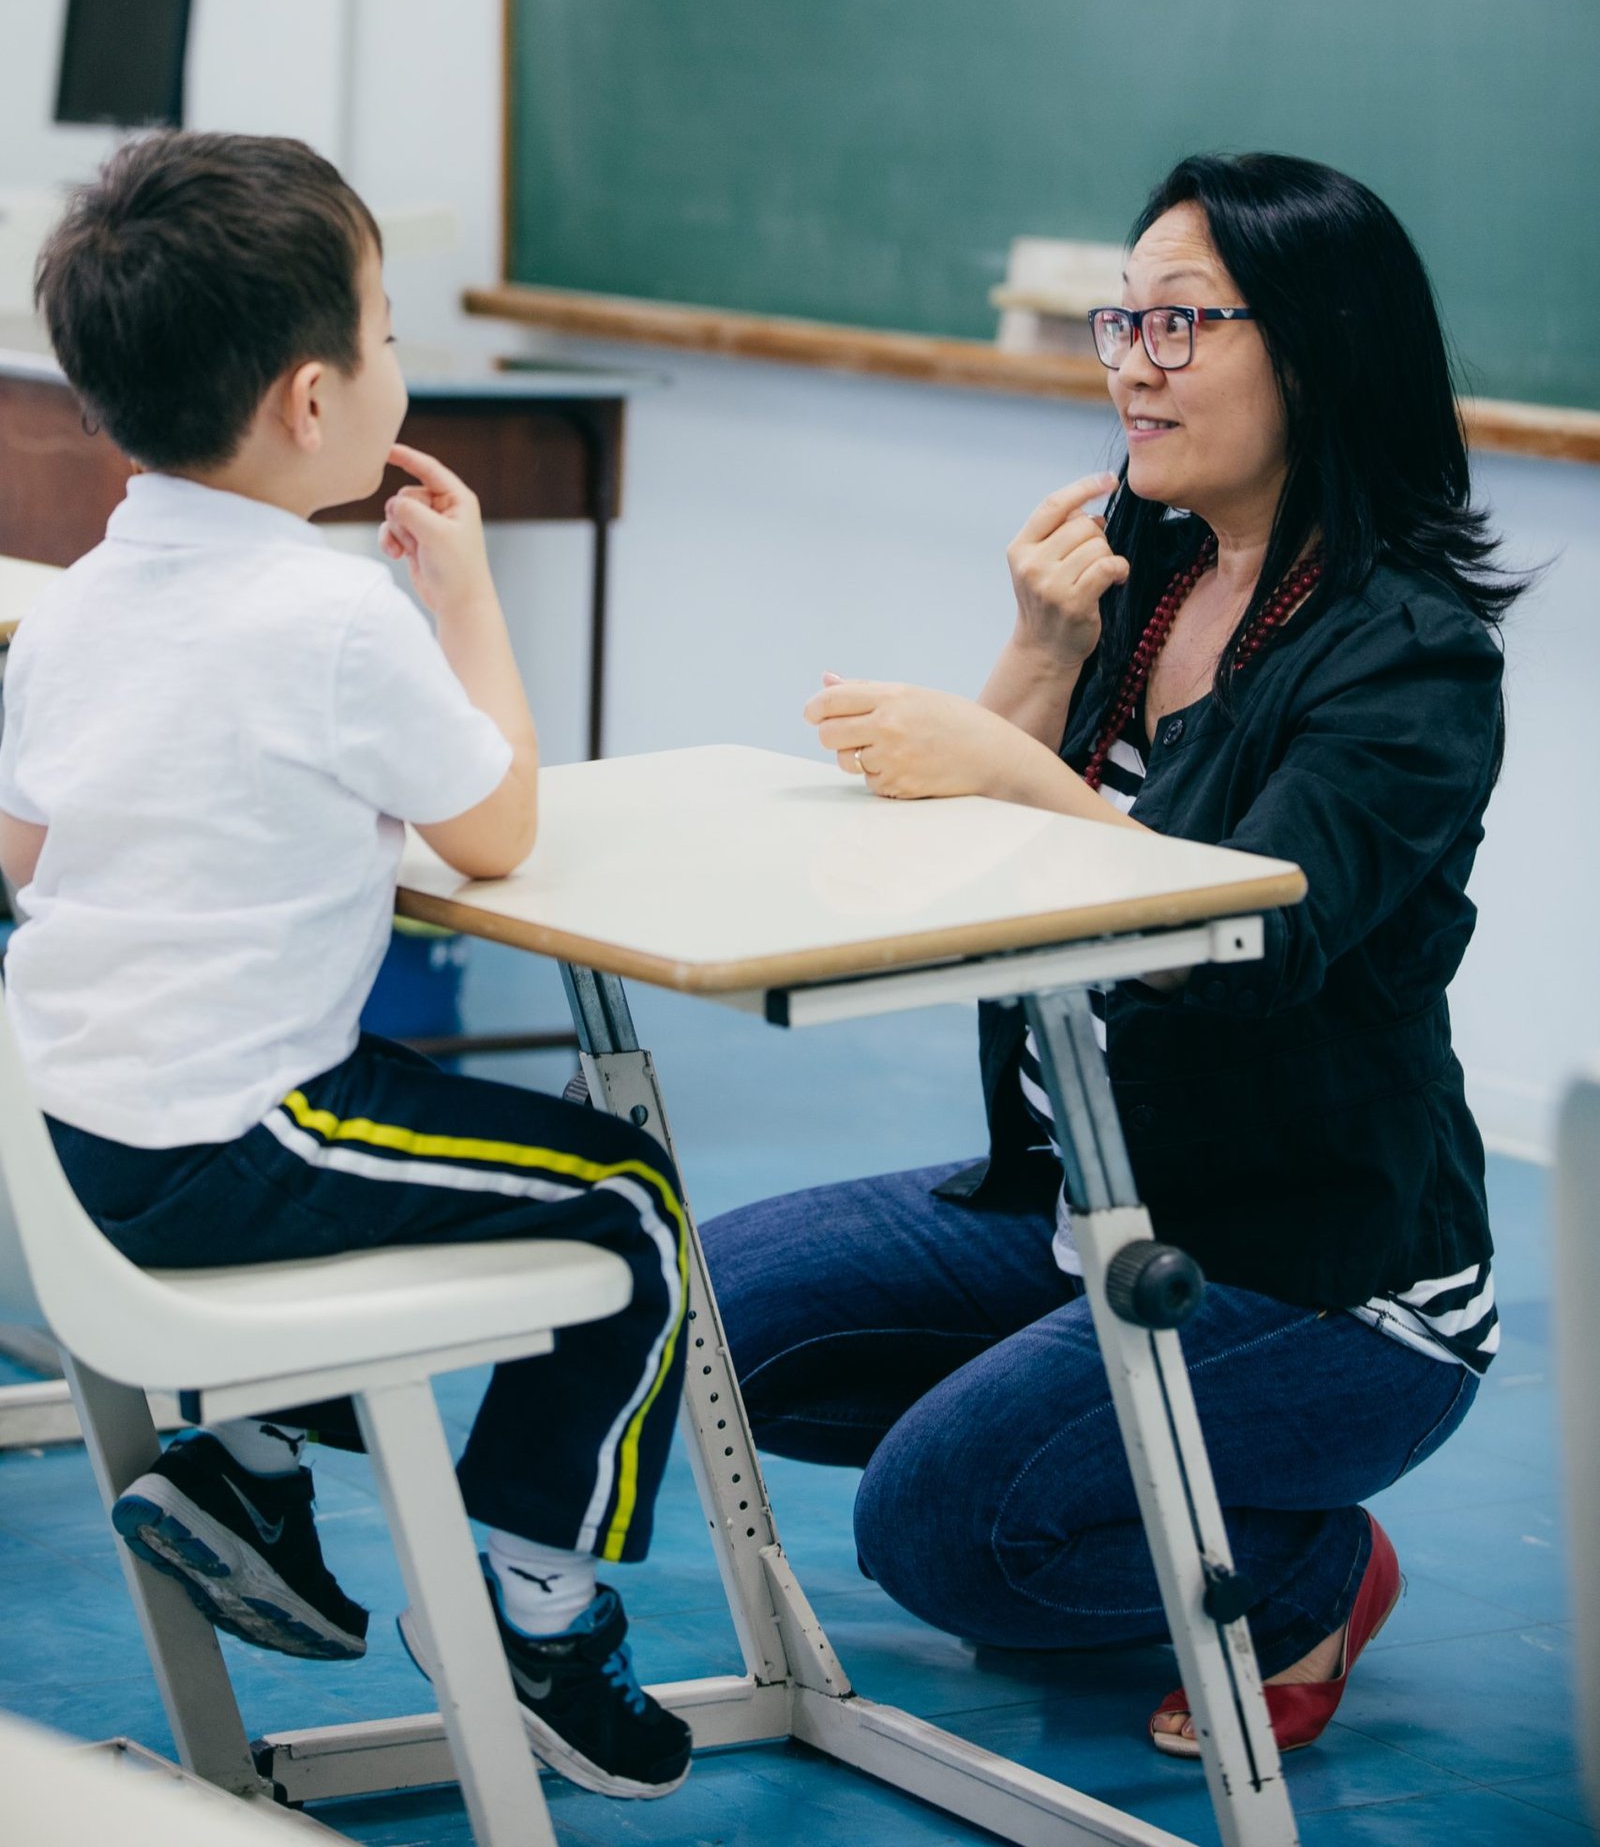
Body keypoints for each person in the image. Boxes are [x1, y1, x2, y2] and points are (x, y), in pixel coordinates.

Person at [703, 150, 1521, 1758]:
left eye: (1181, 324)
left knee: (938, 1536)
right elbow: (942, 879)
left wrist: (1012, 769)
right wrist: (1034, 654)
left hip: (1324, 1274)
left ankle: (1301, 1573)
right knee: (702, 1316)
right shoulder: (1140, 584)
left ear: (1318, 349)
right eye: (1120, 321)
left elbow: (1244, 940)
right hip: (1098, 1200)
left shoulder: (1412, 652)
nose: (1133, 365)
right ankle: (1092, 1463)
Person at [0, 132, 692, 1802]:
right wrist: (466, 603)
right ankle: (533, 1602)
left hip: (62, 1146)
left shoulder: (81, 603)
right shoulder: (331, 618)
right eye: (386, 332)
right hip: (224, 1145)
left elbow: (26, 855)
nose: (401, 364)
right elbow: (502, 829)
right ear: (315, 402)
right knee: (631, 1203)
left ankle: (242, 1462)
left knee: (404, 1143)